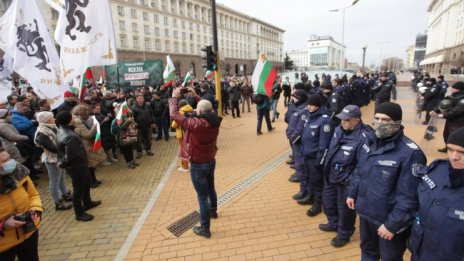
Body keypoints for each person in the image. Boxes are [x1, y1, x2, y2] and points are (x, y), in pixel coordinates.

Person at [346, 102, 427, 261]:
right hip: (366, 213)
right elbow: (359, 170)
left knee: (390, 257)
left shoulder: (410, 153)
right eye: (377, 118)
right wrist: (352, 193)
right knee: (368, 252)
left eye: (386, 120)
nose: (380, 123)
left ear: (397, 122)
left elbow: (410, 198)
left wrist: (392, 225)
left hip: (388, 221)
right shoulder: (369, 141)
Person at [169, 88, 222, 238]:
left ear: (199, 111)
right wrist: (197, 96)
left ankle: (205, 228)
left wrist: (174, 97)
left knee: (202, 197)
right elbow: (207, 107)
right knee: (211, 189)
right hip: (210, 160)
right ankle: (213, 211)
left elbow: (173, 114)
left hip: (198, 164)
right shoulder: (215, 120)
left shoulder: (195, 124)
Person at [320, 105, 374, 248]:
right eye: (341, 119)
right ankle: (333, 223)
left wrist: (350, 181)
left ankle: (344, 233)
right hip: (331, 175)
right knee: (328, 202)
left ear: (356, 120)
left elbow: (362, 165)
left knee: (345, 211)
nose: (342, 122)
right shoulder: (338, 130)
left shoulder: (365, 136)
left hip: (346, 181)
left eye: (347, 120)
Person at [410, 127, 464, 261]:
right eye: (450, 149)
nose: (453, 157)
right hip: (421, 251)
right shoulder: (436, 171)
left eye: (462, 152)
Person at [56, 111, 101, 222]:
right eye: (72, 117)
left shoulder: (66, 130)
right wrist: (63, 164)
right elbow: (70, 156)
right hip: (77, 166)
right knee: (78, 190)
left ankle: (88, 202)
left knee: (86, 183)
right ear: (69, 120)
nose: (75, 118)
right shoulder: (69, 136)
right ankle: (79, 213)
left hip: (80, 164)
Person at [0, 149, 43, 261]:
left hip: (29, 232)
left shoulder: (19, 172)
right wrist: (3, 224)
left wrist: (35, 210)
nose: (11, 162)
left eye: (9, 157)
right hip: (4, 243)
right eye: (5, 161)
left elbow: (33, 195)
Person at [297, 95, 333, 217]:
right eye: (308, 104)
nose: (308, 107)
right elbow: (305, 137)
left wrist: (320, 161)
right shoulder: (310, 117)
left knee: (317, 181)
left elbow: (324, 144)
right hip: (307, 155)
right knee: (309, 178)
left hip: (315, 158)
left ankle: (318, 203)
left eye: (311, 105)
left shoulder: (325, 120)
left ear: (318, 105)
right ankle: (311, 196)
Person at [34, 112, 72, 211]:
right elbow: (51, 147)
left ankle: (65, 195)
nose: (54, 119)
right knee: (54, 181)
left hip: (60, 157)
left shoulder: (52, 127)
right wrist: (64, 149)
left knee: (62, 178)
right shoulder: (42, 132)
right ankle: (58, 202)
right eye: (51, 117)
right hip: (52, 159)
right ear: (46, 120)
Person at [71, 105, 106, 188]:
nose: (88, 112)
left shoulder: (81, 119)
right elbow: (87, 134)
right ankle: (90, 182)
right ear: (80, 112)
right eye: (85, 111)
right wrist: (95, 125)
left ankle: (94, 179)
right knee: (88, 165)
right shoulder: (77, 122)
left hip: (88, 145)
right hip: (84, 145)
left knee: (91, 165)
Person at [432, 81, 464, 153]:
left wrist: (443, 115)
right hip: (450, 120)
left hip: (459, 122)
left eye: (453, 88)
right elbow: (444, 104)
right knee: (446, 134)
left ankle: (455, 151)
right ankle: (448, 147)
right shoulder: (453, 96)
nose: (451, 89)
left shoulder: (462, 99)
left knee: (455, 136)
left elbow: (457, 111)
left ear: (458, 89)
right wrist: (435, 111)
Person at [171, 99, 193, 172]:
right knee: (191, 149)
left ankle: (185, 167)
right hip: (191, 133)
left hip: (182, 134)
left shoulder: (180, 112)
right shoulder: (191, 110)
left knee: (183, 150)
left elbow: (174, 125)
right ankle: (192, 164)